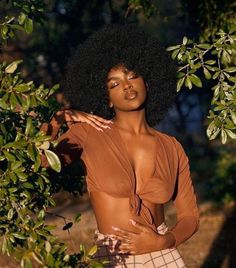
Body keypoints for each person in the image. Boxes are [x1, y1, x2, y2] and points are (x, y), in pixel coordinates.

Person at [41, 24, 199, 267]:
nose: (126, 85)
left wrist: (164, 241)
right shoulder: (87, 133)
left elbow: (190, 217)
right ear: (107, 99)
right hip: (112, 256)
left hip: (163, 255)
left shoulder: (172, 147)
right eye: (114, 84)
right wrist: (58, 119)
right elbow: (41, 162)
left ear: (148, 81)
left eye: (132, 75)